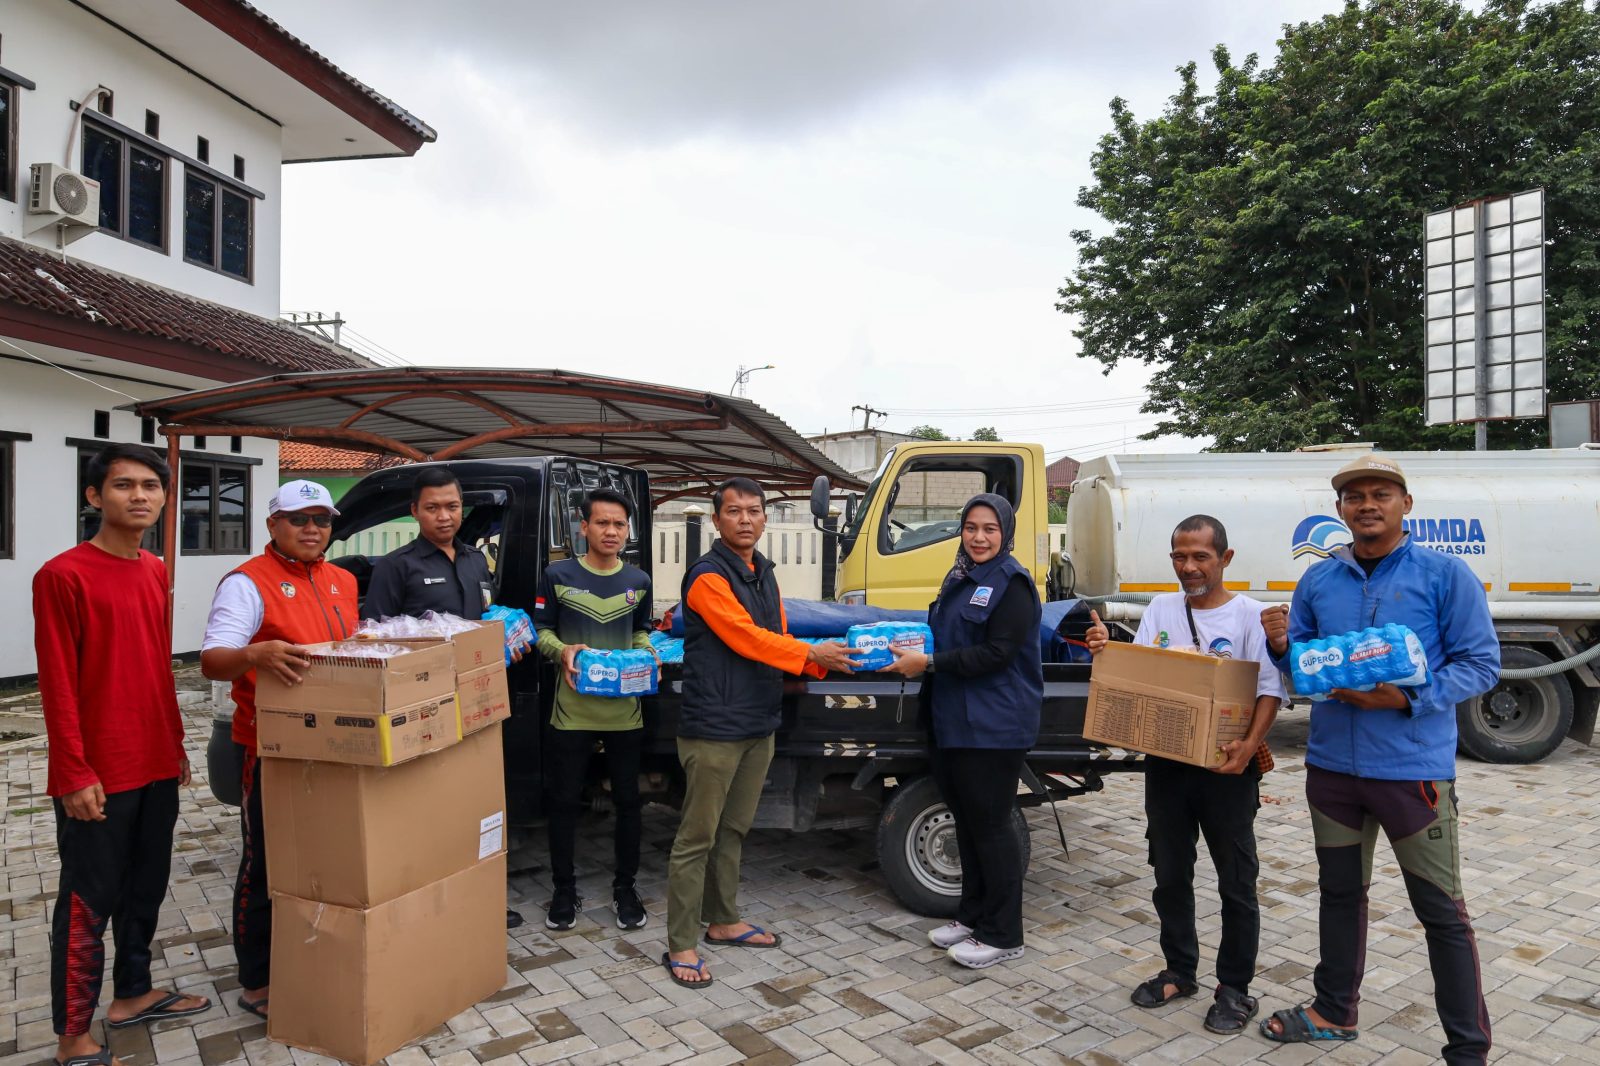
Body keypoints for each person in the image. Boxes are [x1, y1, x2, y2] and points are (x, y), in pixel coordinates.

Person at [1258, 455, 1499, 1062]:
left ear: (1405, 504)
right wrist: (1283, 647)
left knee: (1441, 911)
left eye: (1381, 493)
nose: (1367, 504)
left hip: (1412, 772)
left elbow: (1480, 664)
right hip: (1332, 771)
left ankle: (1468, 1050)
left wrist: (1408, 698)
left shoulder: (1445, 575)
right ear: (1339, 509)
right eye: (1355, 496)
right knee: (1340, 895)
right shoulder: (1318, 581)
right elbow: (1304, 670)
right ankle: (1333, 1012)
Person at [34, 445, 211, 1066]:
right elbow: (57, 682)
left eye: (151, 487)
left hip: (154, 760)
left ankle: (133, 994)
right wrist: (72, 771)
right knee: (88, 902)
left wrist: (174, 743)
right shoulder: (62, 575)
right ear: (94, 497)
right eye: (123, 485)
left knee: (145, 888)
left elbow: (156, 664)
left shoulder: (154, 570)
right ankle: (72, 1037)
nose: (140, 496)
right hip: (97, 772)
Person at [1084, 515, 1283, 1034]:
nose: (1188, 567)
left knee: (1236, 881)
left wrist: (1249, 747)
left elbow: (1269, 689)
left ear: (1225, 558)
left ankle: (1235, 987)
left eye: (1200, 556)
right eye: (1179, 556)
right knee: (1170, 874)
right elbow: (1144, 676)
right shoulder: (1161, 610)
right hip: (1168, 767)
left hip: (1228, 768)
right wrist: (1108, 652)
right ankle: (1179, 970)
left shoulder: (1250, 616)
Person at [662, 477, 858, 988]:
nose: (745, 519)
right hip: (714, 726)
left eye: (754, 511)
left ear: (765, 519)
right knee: (696, 837)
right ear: (717, 520)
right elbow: (745, 638)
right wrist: (811, 653)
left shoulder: (764, 573)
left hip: (757, 722)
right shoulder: (707, 577)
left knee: (733, 829)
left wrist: (823, 663)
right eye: (734, 511)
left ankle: (723, 920)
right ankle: (681, 943)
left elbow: (778, 637)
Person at [200, 479, 358, 1021]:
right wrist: (254, 654)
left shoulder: (341, 580)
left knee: (320, 856)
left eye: (322, 519)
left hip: (333, 743)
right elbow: (212, 660)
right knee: (266, 860)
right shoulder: (247, 582)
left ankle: (311, 957)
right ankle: (257, 979)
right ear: (273, 524)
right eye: (299, 519)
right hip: (269, 746)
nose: (313, 529)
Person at [880, 493, 1042, 970]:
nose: (979, 537)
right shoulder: (961, 577)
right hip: (954, 720)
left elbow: (998, 653)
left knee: (991, 827)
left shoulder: (1012, 583)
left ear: (1005, 533)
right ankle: (972, 916)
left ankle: (1004, 933)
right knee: (967, 824)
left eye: (990, 529)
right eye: (971, 527)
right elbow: (948, 635)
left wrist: (927, 663)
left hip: (994, 725)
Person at [361, 466, 524, 929]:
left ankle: (480, 897)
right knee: (428, 807)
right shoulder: (396, 566)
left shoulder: (475, 560)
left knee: (475, 804)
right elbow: (376, 641)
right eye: (432, 507)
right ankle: (428, 905)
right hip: (425, 708)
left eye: (452, 506)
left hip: (477, 702)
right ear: (415, 511)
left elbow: (485, 620)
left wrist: (506, 637)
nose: (444, 516)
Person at [534, 488, 654, 931]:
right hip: (571, 712)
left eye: (619, 524)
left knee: (629, 802)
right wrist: (562, 650)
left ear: (627, 530)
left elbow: (640, 631)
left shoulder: (638, 581)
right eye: (602, 522)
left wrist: (647, 652)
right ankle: (563, 889)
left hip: (625, 712)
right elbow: (541, 631)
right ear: (583, 527)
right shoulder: (557, 575)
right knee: (564, 802)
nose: (611, 531)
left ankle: (626, 888)